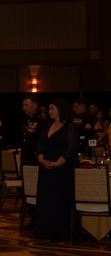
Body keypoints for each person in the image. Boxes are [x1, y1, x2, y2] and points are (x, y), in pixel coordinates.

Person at [34, 99, 79, 241]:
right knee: (46, 198)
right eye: (49, 108)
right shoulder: (48, 125)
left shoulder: (70, 127)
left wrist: (56, 164)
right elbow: (40, 144)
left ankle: (60, 231)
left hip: (62, 169)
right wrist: (41, 159)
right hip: (46, 168)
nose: (49, 111)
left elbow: (71, 149)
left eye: (52, 108)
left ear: (60, 110)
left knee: (60, 199)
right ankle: (46, 229)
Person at [21, 95, 42, 166]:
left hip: (35, 157)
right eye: (23, 105)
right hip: (26, 155)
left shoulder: (40, 121)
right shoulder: (27, 121)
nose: (24, 108)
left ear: (34, 106)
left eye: (26, 105)